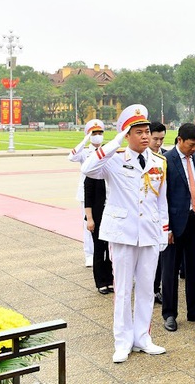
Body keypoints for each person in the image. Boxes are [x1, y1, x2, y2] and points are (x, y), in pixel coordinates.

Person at [82, 104, 168, 363]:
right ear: (127, 135)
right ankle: (122, 341)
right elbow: (87, 168)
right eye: (138, 132)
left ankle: (142, 337)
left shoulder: (159, 162)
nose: (145, 136)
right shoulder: (114, 159)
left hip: (149, 232)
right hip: (122, 232)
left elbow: (160, 200)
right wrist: (115, 140)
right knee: (122, 290)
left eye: (147, 131)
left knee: (145, 288)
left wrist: (164, 231)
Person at [161, 124, 195, 333]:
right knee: (170, 270)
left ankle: (193, 308)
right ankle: (170, 314)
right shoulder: (165, 161)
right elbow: (161, 197)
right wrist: (166, 227)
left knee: (194, 267)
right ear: (179, 140)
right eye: (192, 145)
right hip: (174, 223)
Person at [68, 119, 105, 267]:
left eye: (100, 133)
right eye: (94, 133)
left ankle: (103, 253)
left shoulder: (106, 150)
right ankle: (89, 255)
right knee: (89, 225)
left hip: (104, 192)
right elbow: (71, 157)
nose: (97, 135)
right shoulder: (84, 152)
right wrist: (85, 139)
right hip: (87, 193)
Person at [82, 120, 113, 295]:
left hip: (111, 215)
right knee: (99, 249)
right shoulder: (92, 173)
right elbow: (88, 198)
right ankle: (100, 281)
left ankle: (110, 280)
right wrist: (90, 219)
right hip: (97, 216)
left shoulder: (110, 173)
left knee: (110, 250)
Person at [148, 121, 167, 304]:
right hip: (145, 215)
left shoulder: (166, 159)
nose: (159, 143)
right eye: (155, 139)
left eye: (162, 139)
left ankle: (155, 289)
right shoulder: (141, 158)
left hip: (161, 215)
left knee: (160, 256)